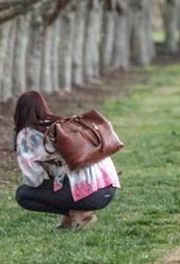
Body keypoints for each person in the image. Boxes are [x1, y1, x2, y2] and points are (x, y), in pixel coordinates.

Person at [13, 91, 120, 230]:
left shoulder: (27, 134)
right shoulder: (61, 123)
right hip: (109, 189)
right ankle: (71, 217)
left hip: (89, 195)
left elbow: (33, 179)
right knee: (61, 176)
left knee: (24, 194)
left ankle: (78, 213)